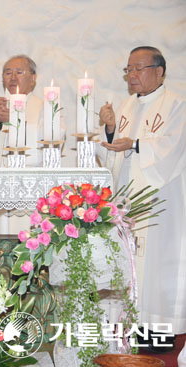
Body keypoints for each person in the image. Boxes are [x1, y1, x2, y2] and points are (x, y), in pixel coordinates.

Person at [98, 46, 186, 348]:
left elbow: (171, 149)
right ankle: (127, 336)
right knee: (129, 267)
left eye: (139, 69)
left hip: (159, 203)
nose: (132, 75)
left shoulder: (177, 105)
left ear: (159, 72)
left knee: (155, 269)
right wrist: (110, 129)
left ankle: (157, 339)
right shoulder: (125, 106)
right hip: (127, 203)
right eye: (129, 69)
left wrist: (135, 144)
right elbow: (111, 157)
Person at [0, 55, 65, 168]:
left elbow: (54, 141)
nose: (13, 78)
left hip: (29, 178)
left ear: (33, 78)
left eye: (19, 72)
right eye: (8, 73)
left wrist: (16, 123)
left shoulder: (46, 109)